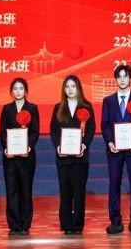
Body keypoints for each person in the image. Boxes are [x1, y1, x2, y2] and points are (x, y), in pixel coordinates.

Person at [101, 65, 131, 234]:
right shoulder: (108, 101)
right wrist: (110, 142)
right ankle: (115, 221)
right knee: (114, 185)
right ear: (116, 79)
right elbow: (105, 125)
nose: (122, 80)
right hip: (114, 150)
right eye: (119, 76)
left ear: (130, 78)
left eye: (125, 76)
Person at [50, 75, 96, 235]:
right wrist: (58, 146)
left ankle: (77, 225)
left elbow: (91, 129)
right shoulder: (58, 107)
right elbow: (53, 131)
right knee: (65, 192)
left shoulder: (87, 106)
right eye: (67, 86)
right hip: (63, 158)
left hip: (80, 157)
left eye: (73, 86)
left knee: (79, 192)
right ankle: (66, 225)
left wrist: (84, 145)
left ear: (78, 88)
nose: (70, 89)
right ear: (64, 89)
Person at [0, 78, 40, 235]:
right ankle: (14, 224)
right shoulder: (6, 109)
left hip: (27, 157)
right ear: (11, 91)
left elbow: (35, 131)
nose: (18, 91)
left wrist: (28, 146)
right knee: (11, 190)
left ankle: (25, 224)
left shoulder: (32, 108)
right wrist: (6, 147)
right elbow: (2, 131)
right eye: (15, 88)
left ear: (26, 91)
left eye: (21, 88)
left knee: (25, 190)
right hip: (10, 157)